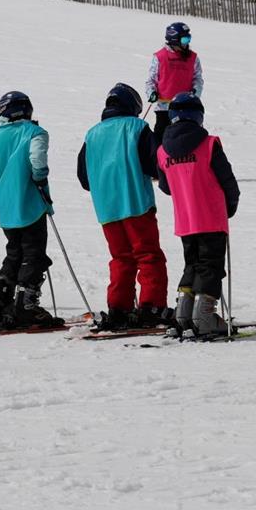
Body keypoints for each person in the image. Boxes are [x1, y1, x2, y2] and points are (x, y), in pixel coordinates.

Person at [77, 82, 169, 332]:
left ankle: (119, 308)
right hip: (136, 202)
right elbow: (153, 164)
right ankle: (151, 307)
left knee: (121, 258)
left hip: (107, 210)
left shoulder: (92, 134)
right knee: (148, 256)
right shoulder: (137, 127)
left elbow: (84, 177)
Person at [155, 92, 240, 340]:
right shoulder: (209, 144)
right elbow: (227, 181)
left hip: (185, 220)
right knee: (210, 266)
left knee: (192, 263)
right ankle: (203, 317)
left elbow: (165, 186)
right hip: (211, 217)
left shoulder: (163, 151)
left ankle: (184, 315)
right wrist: (230, 206)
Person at [0, 90, 55, 330]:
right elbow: (37, 160)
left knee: (14, 252)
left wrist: (5, 183)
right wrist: (40, 179)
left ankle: (0, 301)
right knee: (33, 254)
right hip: (30, 203)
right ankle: (26, 306)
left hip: (5, 207)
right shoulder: (35, 132)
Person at [145, 21, 203, 142]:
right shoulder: (160, 57)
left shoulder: (192, 58)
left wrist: (195, 91)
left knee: (186, 140)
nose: (187, 44)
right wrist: (151, 92)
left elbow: (198, 78)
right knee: (161, 139)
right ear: (174, 40)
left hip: (186, 109)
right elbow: (151, 80)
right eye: (185, 40)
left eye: (189, 39)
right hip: (164, 109)